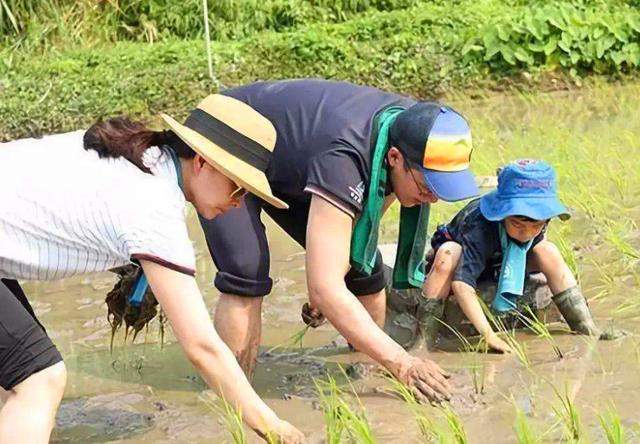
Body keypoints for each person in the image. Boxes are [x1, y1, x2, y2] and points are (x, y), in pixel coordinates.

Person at [0, 94, 304, 443]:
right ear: (202, 163)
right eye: (237, 187)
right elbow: (202, 347)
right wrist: (275, 427)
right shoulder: (154, 205)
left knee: (13, 383)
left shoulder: (145, 158)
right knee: (39, 380)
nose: (239, 203)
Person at [196, 79, 480, 402]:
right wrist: (403, 362)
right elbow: (325, 286)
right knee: (246, 269)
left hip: (296, 161)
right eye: (427, 186)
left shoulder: (410, 128)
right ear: (395, 158)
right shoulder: (345, 158)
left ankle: (365, 382)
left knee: (365, 272)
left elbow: (362, 227)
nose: (432, 198)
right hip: (229, 137)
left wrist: (331, 282)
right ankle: (231, 399)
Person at [397, 159, 612, 353]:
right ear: (502, 214)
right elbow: (462, 285)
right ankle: (424, 340)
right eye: (517, 225)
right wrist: (489, 335)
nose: (526, 233)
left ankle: (585, 326)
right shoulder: (479, 227)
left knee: (549, 251)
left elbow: (538, 246)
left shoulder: (538, 223)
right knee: (448, 254)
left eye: (536, 225)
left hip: (503, 262)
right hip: (464, 261)